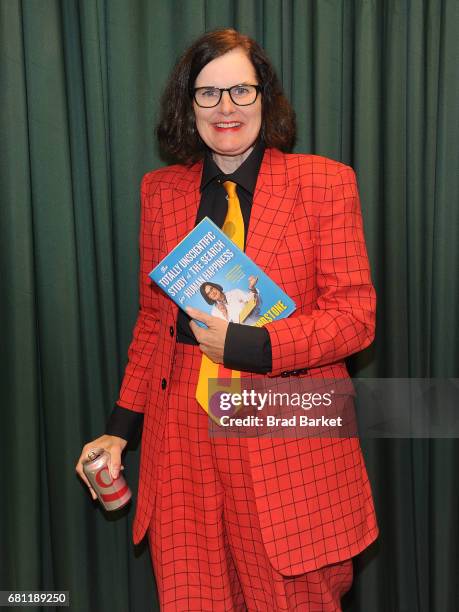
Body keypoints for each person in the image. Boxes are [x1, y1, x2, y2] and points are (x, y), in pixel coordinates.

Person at [76, 28, 378, 611]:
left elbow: (355, 319)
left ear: (265, 97)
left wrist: (254, 346)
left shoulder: (324, 183)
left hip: (285, 427)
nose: (226, 108)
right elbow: (151, 322)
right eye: (207, 94)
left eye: (241, 90)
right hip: (182, 444)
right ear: (188, 107)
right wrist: (120, 427)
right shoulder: (161, 192)